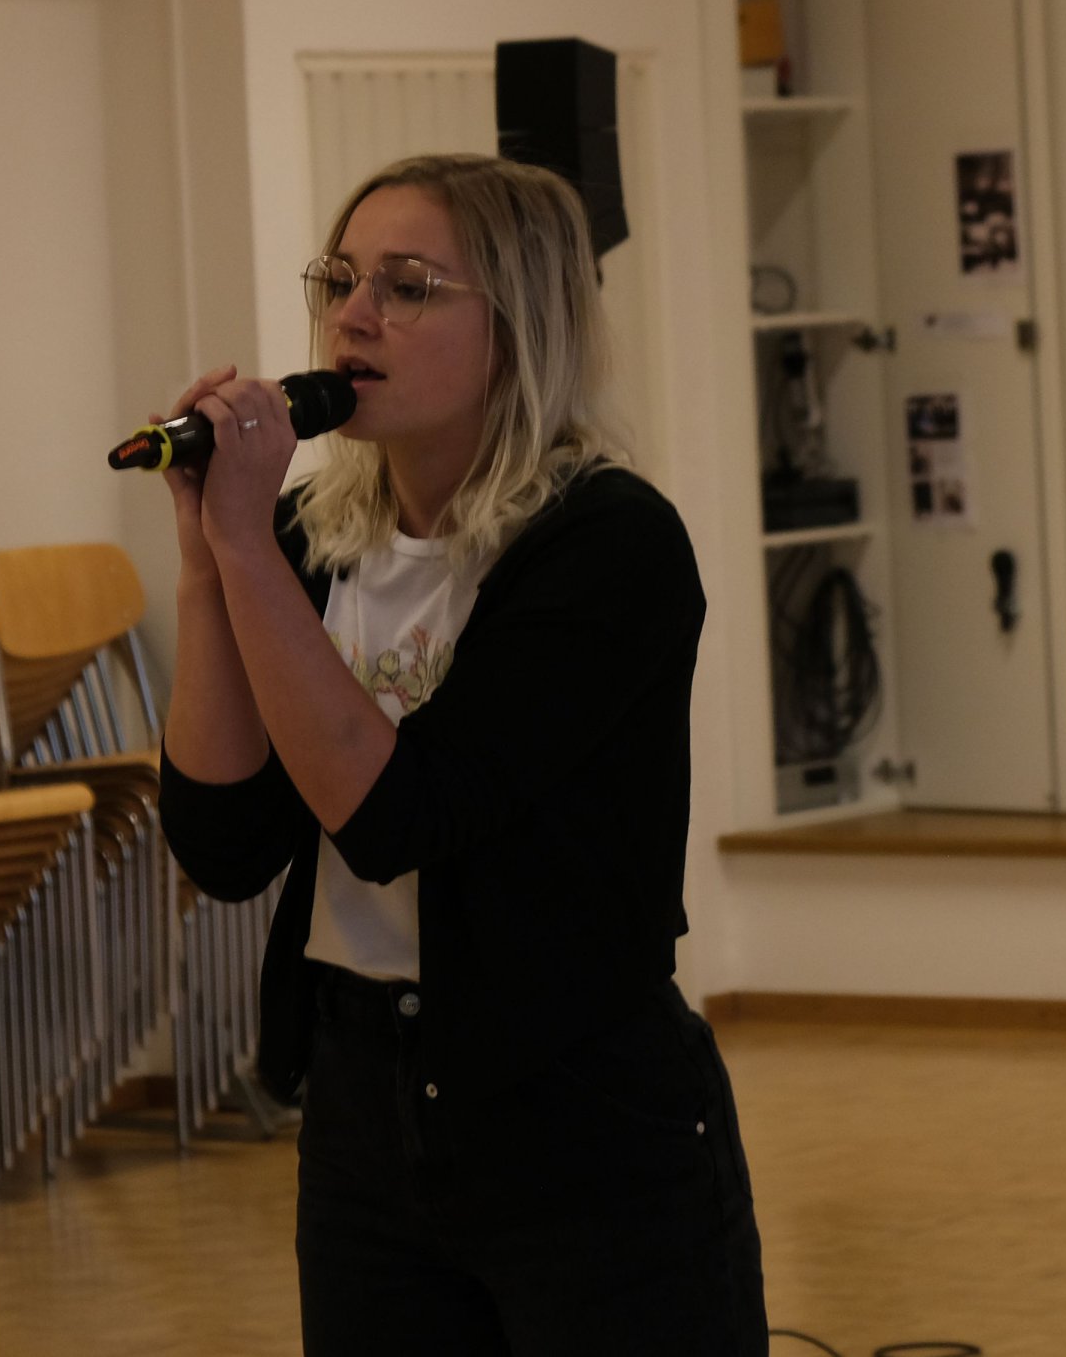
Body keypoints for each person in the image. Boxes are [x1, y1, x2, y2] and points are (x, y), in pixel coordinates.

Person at [152, 152, 767, 1356]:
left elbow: (398, 814)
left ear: (520, 324)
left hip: (579, 1113)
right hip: (362, 1106)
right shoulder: (309, 541)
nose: (353, 316)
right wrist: (205, 561)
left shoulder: (610, 545)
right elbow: (224, 844)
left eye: (407, 286)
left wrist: (247, 555)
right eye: (340, 279)